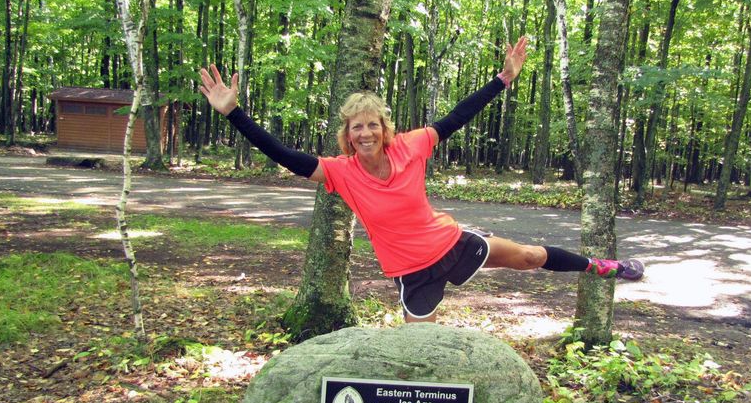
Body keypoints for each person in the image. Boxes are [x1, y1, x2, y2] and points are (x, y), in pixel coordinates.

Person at [198, 37, 643, 323]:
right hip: (412, 273)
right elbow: (286, 157)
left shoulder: (411, 146)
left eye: (373, 124)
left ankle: (608, 268)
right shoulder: (340, 173)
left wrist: (503, 79)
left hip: (451, 244)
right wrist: (234, 113)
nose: (366, 133)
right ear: (347, 135)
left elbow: (457, 115)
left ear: (384, 128)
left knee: (528, 256)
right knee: (419, 348)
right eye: (357, 127)